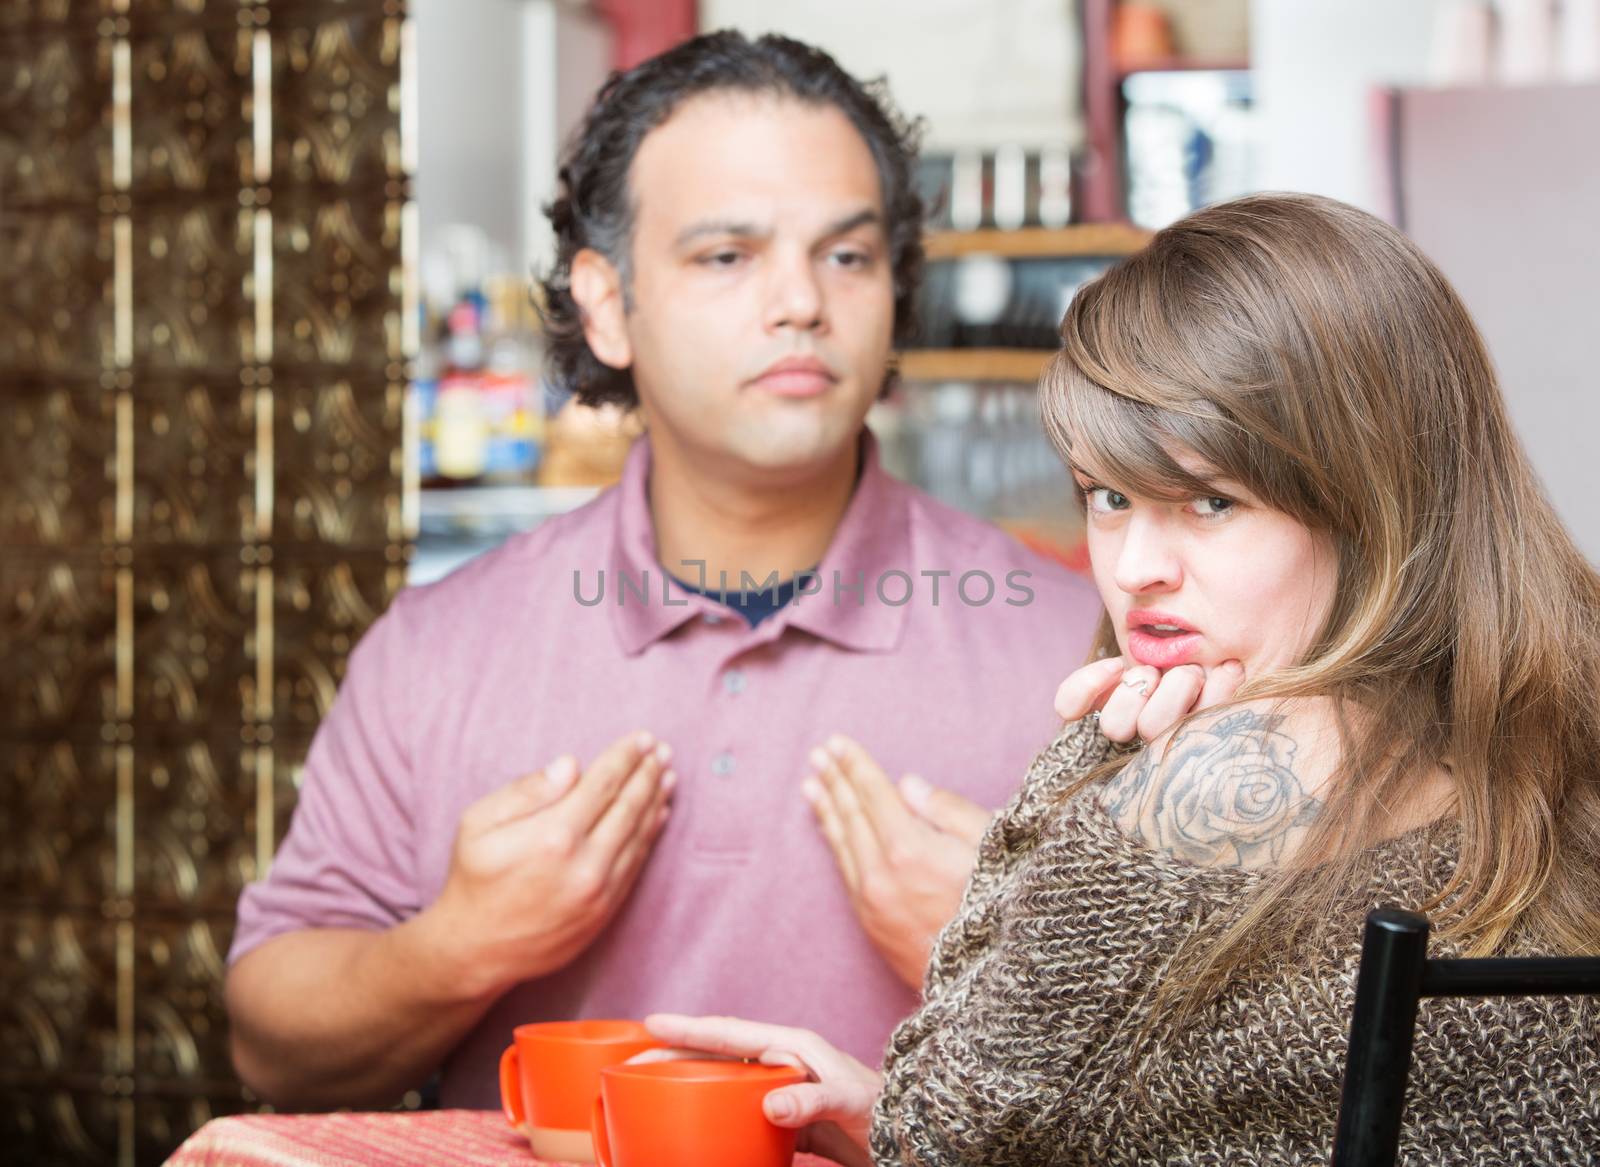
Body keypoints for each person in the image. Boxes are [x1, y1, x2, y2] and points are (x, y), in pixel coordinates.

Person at [223, 31, 1100, 1110]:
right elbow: (272, 1050)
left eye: (848, 255)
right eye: (726, 256)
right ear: (605, 303)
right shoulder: (439, 648)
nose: (801, 304)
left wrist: (1013, 971)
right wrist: (456, 947)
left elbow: (1234, 1104)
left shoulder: (1082, 659)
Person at [646, 192, 1600, 1165]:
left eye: (1207, 501)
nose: (1136, 564)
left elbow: (938, 1142)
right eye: (1106, 495)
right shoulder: (1545, 716)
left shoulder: (1211, 780)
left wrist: (1085, 774)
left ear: (1370, 500)